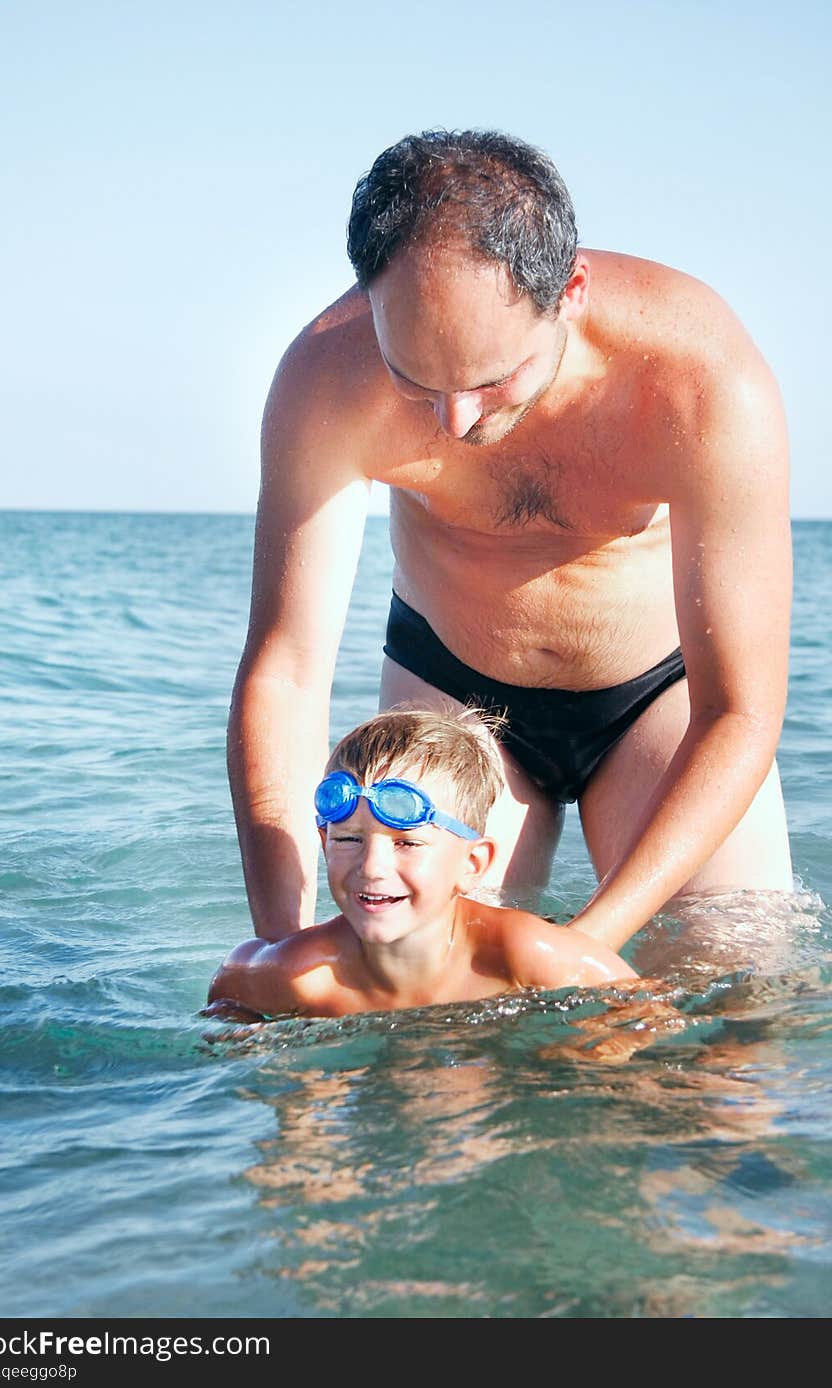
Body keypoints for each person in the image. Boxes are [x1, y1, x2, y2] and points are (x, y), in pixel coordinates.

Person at [230, 129, 792, 957]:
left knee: (733, 983)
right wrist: (282, 946)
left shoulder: (702, 382)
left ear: (568, 291)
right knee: (416, 991)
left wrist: (589, 945)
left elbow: (741, 709)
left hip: (660, 702)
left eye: (491, 379)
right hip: (451, 685)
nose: (453, 423)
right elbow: (284, 672)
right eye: (414, 380)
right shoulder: (326, 379)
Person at [208, 710, 635, 1018]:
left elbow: (644, 1019)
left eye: (407, 843)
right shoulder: (304, 976)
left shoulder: (527, 958)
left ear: (472, 863)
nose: (372, 867)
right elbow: (230, 991)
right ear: (324, 841)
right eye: (350, 839)